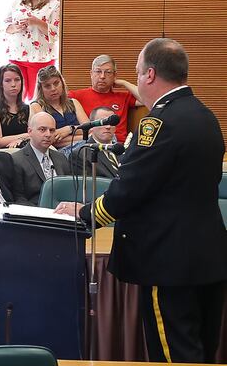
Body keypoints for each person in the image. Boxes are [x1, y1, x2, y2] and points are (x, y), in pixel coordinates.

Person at [55, 38, 227, 364]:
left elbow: (130, 188)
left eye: (136, 73)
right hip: (209, 254)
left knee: (173, 354)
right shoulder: (206, 116)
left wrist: (87, 213)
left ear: (149, 75)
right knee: (202, 350)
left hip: (169, 259)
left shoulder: (157, 122)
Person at [3, 0, 60, 101]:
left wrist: (37, 22)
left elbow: (56, 33)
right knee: (15, 97)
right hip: (17, 56)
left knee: (39, 99)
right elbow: (4, 25)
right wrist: (14, 27)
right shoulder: (18, 3)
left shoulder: (54, 5)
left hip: (41, 58)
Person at [69, 54, 143, 142]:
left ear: (115, 75)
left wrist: (124, 83)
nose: (102, 76)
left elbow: (147, 99)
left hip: (119, 146)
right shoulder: (76, 96)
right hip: (92, 144)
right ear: (91, 74)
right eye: (98, 71)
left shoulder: (123, 96)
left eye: (108, 72)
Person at [11, 112, 70, 206]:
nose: (48, 134)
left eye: (52, 130)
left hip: (64, 213)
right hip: (35, 214)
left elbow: (70, 190)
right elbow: (18, 198)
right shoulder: (16, 160)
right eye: (42, 129)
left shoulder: (61, 158)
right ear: (29, 131)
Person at [29, 65, 89, 154]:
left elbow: (90, 130)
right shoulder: (36, 106)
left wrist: (70, 129)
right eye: (47, 86)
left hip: (82, 147)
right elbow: (50, 139)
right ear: (40, 89)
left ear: (62, 83)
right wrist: (82, 135)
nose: (53, 89)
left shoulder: (73, 102)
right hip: (57, 152)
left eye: (56, 83)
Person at [0, 63, 31, 148]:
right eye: (8, 80)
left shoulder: (28, 108)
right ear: (1, 84)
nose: (13, 84)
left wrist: (20, 140)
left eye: (17, 80)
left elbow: (37, 136)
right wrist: (26, 136)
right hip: (2, 155)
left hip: (25, 155)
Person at [71, 106, 121, 178]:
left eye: (112, 122)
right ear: (92, 125)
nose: (108, 126)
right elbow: (87, 186)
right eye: (103, 122)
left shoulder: (122, 150)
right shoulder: (81, 154)